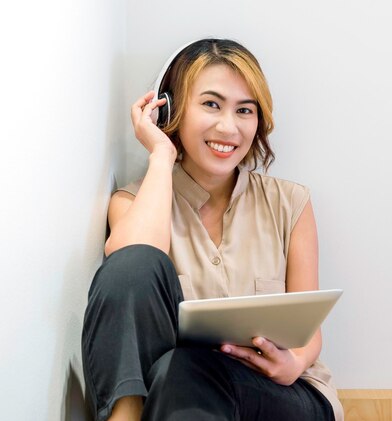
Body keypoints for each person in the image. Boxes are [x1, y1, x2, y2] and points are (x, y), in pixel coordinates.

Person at [81, 38, 343, 421]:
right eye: (211, 104)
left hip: (283, 395)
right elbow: (128, 274)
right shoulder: (133, 203)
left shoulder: (292, 203)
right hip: (175, 399)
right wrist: (161, 155)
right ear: (170, 109)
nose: (229, 127)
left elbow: (310, 329)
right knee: (178, 364)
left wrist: (293, 362)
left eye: (245, 110)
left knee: (188, 370)